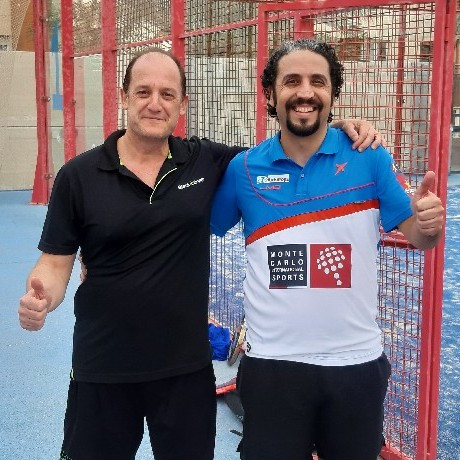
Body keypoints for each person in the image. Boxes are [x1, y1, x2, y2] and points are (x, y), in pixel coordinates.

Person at [18, 47, 385, 460]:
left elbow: (283, 149)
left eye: (167, 94)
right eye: (143, 92)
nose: (155, 103)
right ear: (124, 97)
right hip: (102, 366)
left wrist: (337, 128)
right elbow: (54, 263)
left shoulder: (206, 161)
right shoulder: (78, 176)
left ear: (182, 104)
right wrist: (41, 297)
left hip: (185, 372)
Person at [210, 39, 444, 460]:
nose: (305, 92)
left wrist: (428, 224)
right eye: (292, 81)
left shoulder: (369, 157)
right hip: (272, 367)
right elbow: (197, 226)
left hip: (355, 366)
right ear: (270, 94)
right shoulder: (243, 169)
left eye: (318, 81)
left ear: (333, 93)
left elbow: (420, 237)